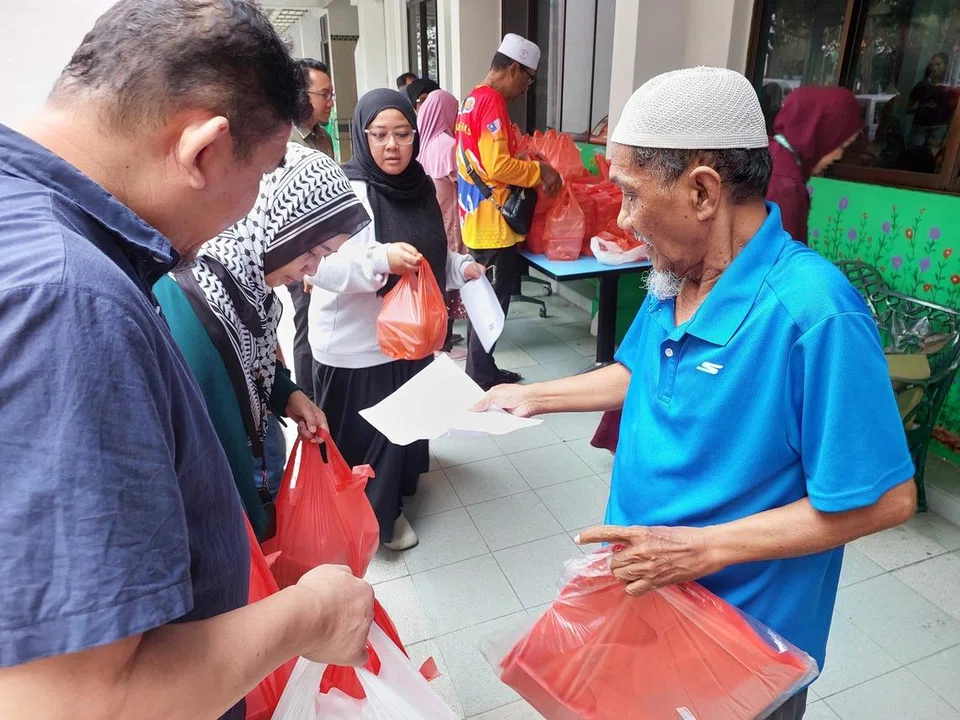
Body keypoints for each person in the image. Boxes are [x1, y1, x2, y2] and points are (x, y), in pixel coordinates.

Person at [477, 67, 916, 720]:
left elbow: (885, 499)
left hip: (739, 644)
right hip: (638, 593)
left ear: (703, 192)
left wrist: (702, 550)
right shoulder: (671, 278)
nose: (623, 220)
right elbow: (637, 372)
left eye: (629, 194)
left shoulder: (814, 314)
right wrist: (535, 396)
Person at [0, 2, 374, 719]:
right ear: (203, 150)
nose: (252, 212)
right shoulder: (70, 302)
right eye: (264, 174)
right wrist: (311, 613)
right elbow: (74, 704)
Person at [155, 143, 370, 539]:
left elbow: (250, 370)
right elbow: (208, 448)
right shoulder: (194, 302)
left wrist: (288, 394)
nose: (314, 268)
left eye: (327, 256)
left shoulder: (248, 286)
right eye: (313, 250)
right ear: (277, 221)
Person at [308, 89, 485, 550]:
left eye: (403, 134)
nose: (392, 146)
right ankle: (377, 521)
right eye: (380, 135)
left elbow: (425, 250)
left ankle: (397, 494)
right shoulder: (344, 191)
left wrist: (458, 267)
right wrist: (380, 259)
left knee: (403, 423)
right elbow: (319, 267)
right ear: (361, 135)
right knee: (370, 435)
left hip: (410, 336)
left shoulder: (420, 184)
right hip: (355, 342)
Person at [457, 33, 562, 390]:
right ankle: (482, 375)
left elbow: (478, 162)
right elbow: (497, 165)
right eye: (527, 79)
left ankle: (481, 369)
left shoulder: (471, 99)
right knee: (491, 302)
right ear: (514, 68)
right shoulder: (492, 103)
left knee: (481, 298)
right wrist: (540, 172)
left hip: (474, 217)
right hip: (493, 222)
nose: (525, 88)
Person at [287, 57, 337, 402]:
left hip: (325, 249)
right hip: (296, 253)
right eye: (325, 95)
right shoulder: (284, 139)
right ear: (302, 95)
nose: (331, 102)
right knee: (307, 324)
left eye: (332, 95)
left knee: (325, 319)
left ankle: (327, 395)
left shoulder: (323, 138)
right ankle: (308, 400)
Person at [767, 86, 863, 244]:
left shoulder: (767, 153)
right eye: (841, 145)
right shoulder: (786, 187)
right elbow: (786, 262)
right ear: (820, 133)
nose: (838, 156)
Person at [418, 89, 468, 354]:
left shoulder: (424, 145)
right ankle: (445, 340)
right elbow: (461, 182)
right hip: (450, 224)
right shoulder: (447, 145)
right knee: (450, 279)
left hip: (432, 223)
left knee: (437, 279)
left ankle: (438, 337)